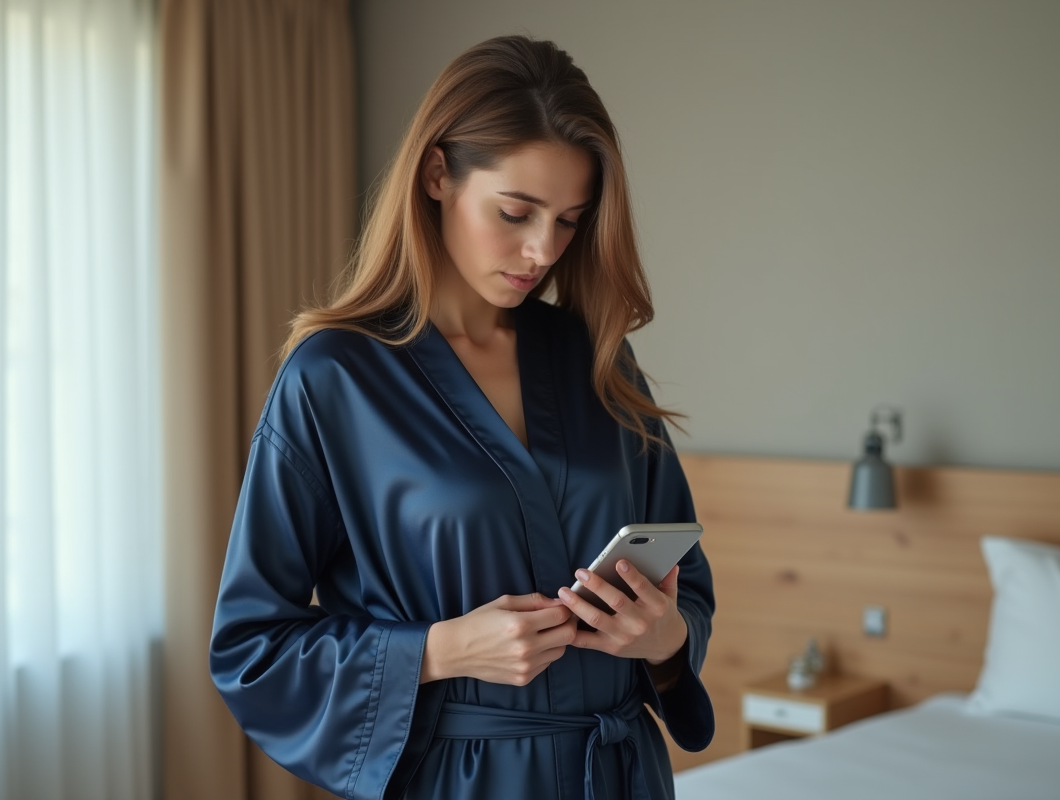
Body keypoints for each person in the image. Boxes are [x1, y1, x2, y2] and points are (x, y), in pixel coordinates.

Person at [208, 35, 715, 800]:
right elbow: (253, 648)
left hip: (620, 775)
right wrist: (437, 651)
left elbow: (687, 581)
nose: (542, 250)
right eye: (515, 212)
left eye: (569, 221)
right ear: (438, 174)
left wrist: (665, 639)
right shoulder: (333, 378)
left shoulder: (595, 356)